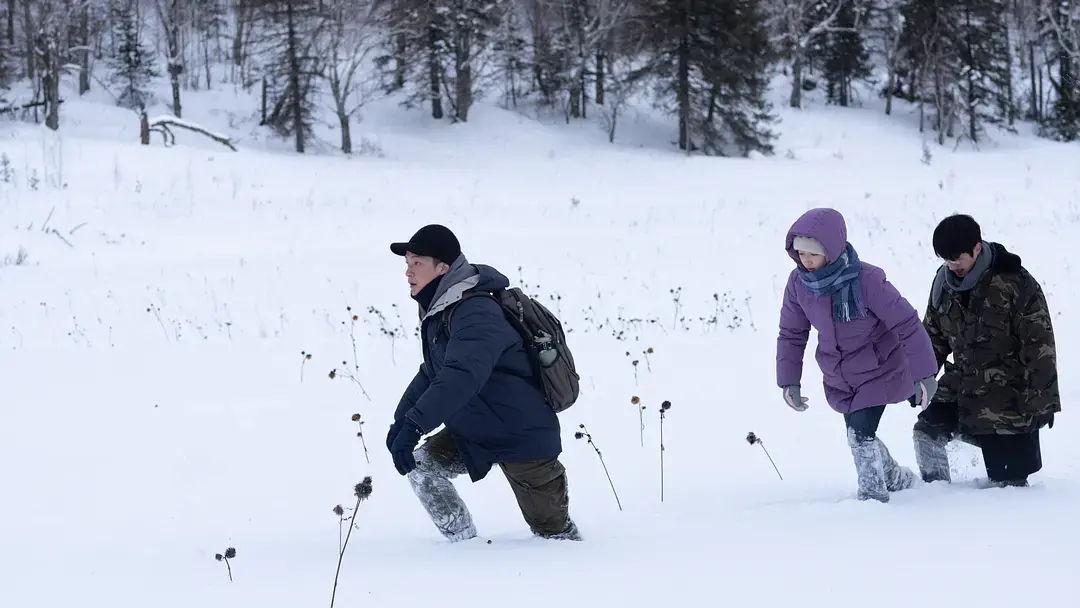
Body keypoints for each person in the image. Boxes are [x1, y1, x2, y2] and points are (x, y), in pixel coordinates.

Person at [384, 224, 581, 542]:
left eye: (417, 263)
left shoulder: (476, 312)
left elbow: (460, 376)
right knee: (422, 467)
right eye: (407, 263)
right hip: (477, 429)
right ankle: (463, 546)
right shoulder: (444, 310)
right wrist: (402, 422)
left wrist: (415, 425)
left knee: (555, 538)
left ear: (443, 268)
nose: (408, 272)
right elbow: (433, 372)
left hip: (521, 435)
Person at [776, 207, 940, 503]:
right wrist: (790, 381)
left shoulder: (867, 280)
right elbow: (792, 334)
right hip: (840, 374)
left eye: (813, 253)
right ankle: (896, 477)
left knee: (859, 436)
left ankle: (872, 497)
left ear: (833, 248)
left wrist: (925, 374)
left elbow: (907, 323)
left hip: (882, 368)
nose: (806, 261)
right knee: (860, 434)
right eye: (801, 253)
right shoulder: (799, 284)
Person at [912, 214, 1059, 488]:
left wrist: (1043, 398)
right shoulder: (943, 284)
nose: (951, 265)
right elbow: (932, 336)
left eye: (957, 258)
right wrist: (920, 377)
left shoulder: (1015, 283)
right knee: (926, 433)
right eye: (946, 259)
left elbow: (1040, 344)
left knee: (1009, 483)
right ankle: (936, 496)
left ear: (977, 248)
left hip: (1007, 398)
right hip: (961, 386)